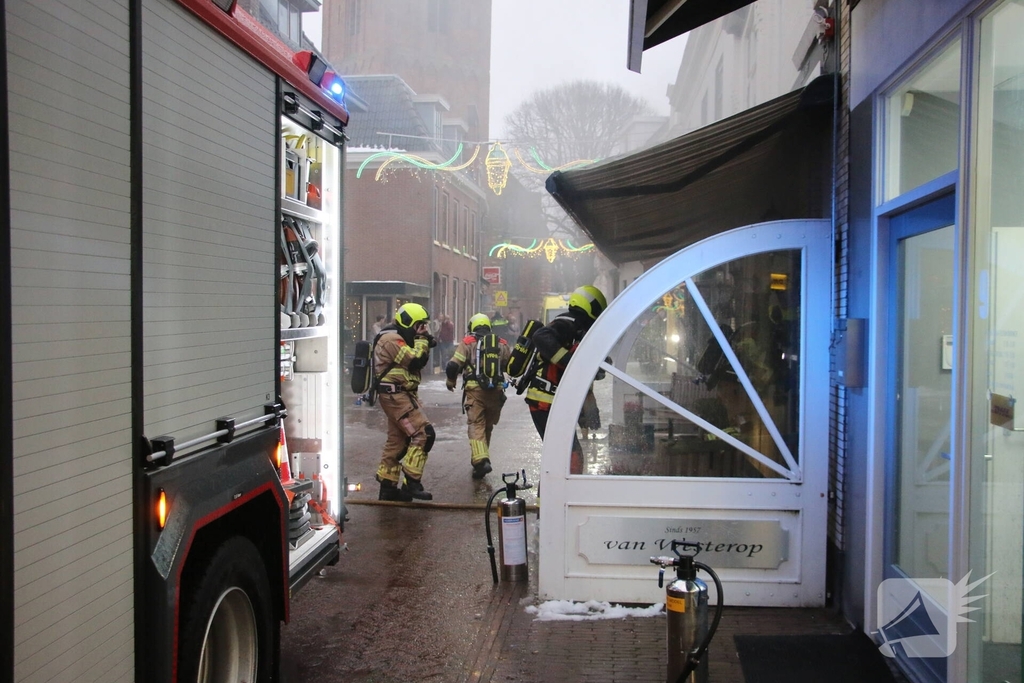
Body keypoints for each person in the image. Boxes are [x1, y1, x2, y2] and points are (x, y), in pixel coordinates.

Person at [524, 285, 607, 474]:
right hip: (545, 402)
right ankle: (551, 500)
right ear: (590, 307)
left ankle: (550, 500)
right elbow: (541, 336)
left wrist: (589, 413)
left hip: (555, 402)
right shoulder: (567, 323)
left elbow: (579, 379)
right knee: (568, 457)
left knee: (565, 456)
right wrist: (568, 361)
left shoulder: (581, 331)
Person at [372, 303, 437, 501]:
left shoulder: (401, 337)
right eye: (420, 325)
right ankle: (412, 482)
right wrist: (422, 341)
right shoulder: (391, 339)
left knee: (397, 442)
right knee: (423, 434)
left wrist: (422, 339)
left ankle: (388, 488)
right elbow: (415, 360)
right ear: (409, 323)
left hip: (400, 394)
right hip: (395, 396)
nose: (423, 330)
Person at [445, 313, 512, 479]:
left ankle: (481, 461)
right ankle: (481, 461)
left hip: (475, 391)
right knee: (487, 427)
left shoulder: (467, 343)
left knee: (476, 425)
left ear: (471, 327)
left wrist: (450, 381)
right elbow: (509, 367)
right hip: (496, 391)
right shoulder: (501, 343)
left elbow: (453, 365)